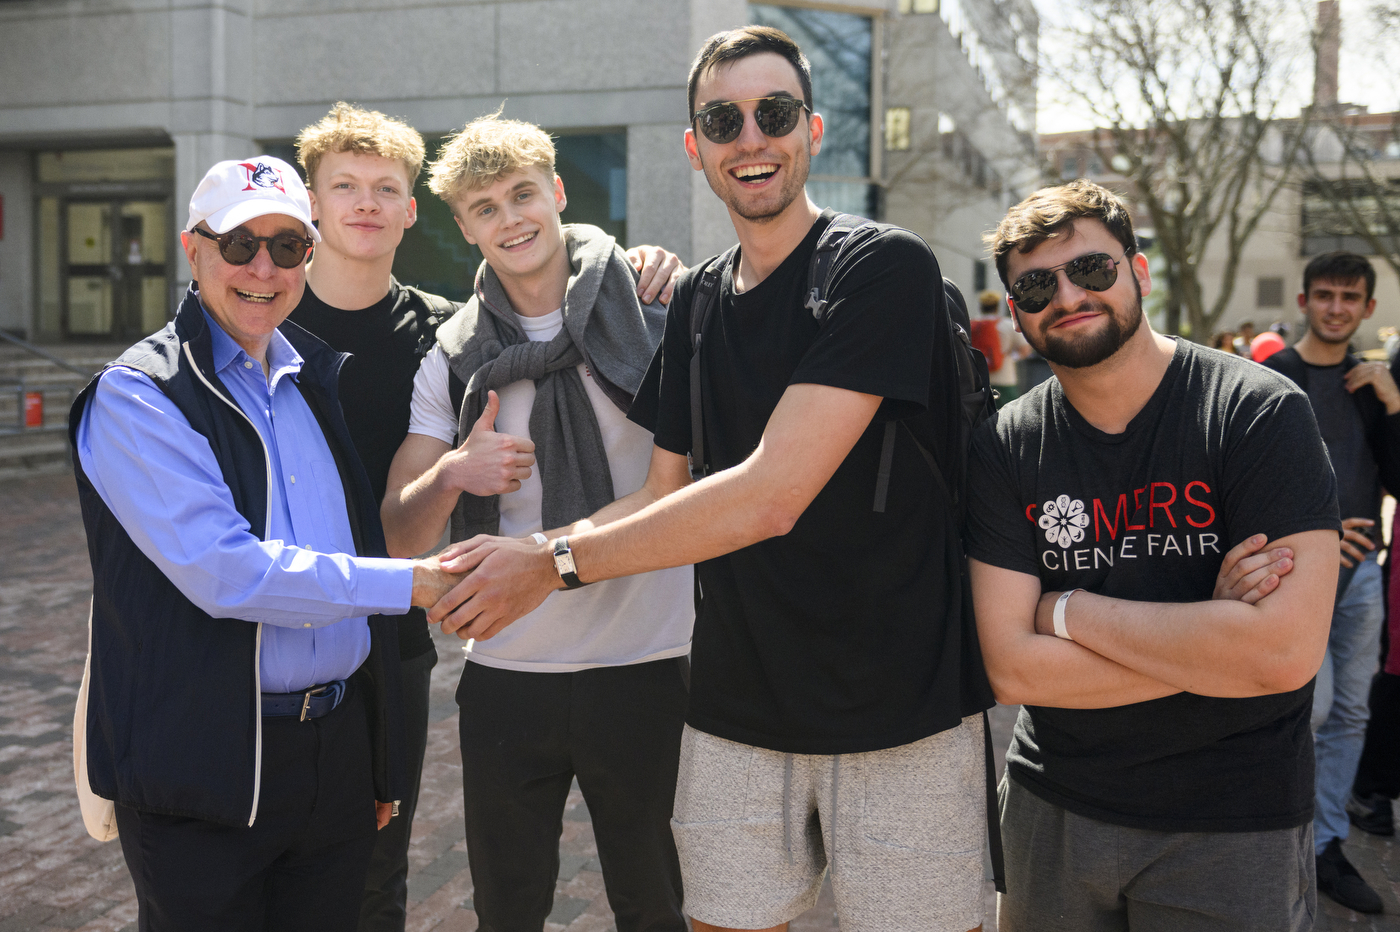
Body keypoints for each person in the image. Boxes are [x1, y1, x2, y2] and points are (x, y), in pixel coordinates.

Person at [423, 26, 994, 932]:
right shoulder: (693, 301)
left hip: (897, 702)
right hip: (736, 706)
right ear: (695, 148)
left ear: (810, 129)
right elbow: (661, 491)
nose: (750, 138)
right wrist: (525, 552)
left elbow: (770, 495)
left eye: (775, 114)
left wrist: (552, 563)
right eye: (723, 120)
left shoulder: (882, 267)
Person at [285, 103, 682, 932]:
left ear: (559, 192)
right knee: (507, 911)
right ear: (464, 228)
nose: (511, 220)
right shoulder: (454, 352)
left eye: (523, 195)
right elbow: (399, 536)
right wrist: (453, 473)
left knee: (659, 905)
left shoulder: (658, 316)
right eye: (486, 209)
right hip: (508, 674)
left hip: (652, 660)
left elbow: (701, 486)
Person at [69, 155, 465, 932]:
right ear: (193, 248)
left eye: (288, 247)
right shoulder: (138, 394)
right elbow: (229, 574)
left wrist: (374, 753)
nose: (262, 266)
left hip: (334, 756)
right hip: (204, 766)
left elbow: (345, 554)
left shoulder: (311, 381)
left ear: (308, 260)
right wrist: (413, 583)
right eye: (239, 242)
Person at [967, 180, 1340, 931]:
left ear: (1139, 274)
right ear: (1016, 314)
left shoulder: (1258, 413)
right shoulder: (1006, 443)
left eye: (1093, 270)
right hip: (1055, 809)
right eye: (1037, 285)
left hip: (1235, 819)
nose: (1068, 295)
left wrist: (1064, 610)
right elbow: (1010, 668)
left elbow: (1282, 655)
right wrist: (1212, 635)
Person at [1261, 251, 1400, 914]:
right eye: (1325, 295)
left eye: (1350, 297)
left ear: (1368, 307)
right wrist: (1315, 531)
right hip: (1294, 573)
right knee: (1308, 712)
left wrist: (1396, 404)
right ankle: (1285, 841)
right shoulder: (1271, 378)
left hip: (1363, 577)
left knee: (1350, 712)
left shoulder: (1372, 386)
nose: (1337, 307)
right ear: (1304, 299)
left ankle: (1327, 847)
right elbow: (1246, 485)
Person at [975, 289, 1030, 405]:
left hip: (978, 381)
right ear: (997, 306)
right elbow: (1025, 350)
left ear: (981, 306)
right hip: (1005, 380)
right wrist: (1010, 357)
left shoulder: (972, 325)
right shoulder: (1007, 324)